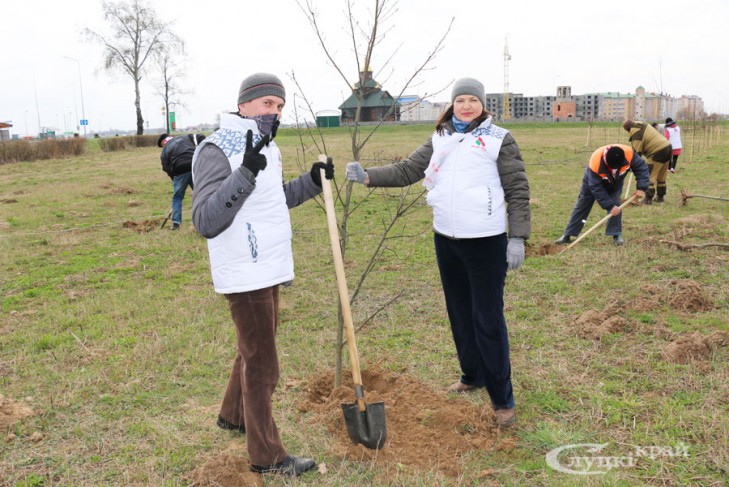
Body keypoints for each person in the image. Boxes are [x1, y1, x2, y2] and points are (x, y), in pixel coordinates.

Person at [346, 77, 531, 428]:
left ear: (482, 105)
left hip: (486, 241)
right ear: (452, 104)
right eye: (460, 100)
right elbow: (408, 170)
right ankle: (472, 374)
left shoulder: (498, 139)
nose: (465, 106)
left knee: (487, 320)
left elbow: (517, 189)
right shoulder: (441, 137)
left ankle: (502, 399)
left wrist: (517, 237)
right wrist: (367, 176)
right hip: (446, 239)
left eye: (472, 100)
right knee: (459, 313)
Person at [190, 73, 334, 477]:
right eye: (267, 104)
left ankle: (232, 415)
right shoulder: (218, 149)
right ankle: (267, 456)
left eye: (280, 106)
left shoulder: (265, 146)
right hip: (244, 270)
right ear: (244, 105)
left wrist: (312, 181)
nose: (275, 112)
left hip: (267, 265)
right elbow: (205, 220)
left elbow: (275, 199)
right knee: (263, 363)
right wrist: (246, 172)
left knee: (253, 347)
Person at [554, 144, 649, 246]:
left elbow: (642, 168)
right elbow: (596, 189)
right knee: (583, 204)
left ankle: (616, 234)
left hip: (615, 182)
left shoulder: (629, 154)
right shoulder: (595, 163)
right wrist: (609, 206)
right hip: (593, 182)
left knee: (616, 203)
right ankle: (568, 234)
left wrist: (642, 187)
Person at [158, 132, 206, 229]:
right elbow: (201, 137)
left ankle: (176, 223)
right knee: (201, 194)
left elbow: (166, 168)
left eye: (162, 145)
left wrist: (174, 178)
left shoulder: (164, 151)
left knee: (177, 198)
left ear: (164, 142)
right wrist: (202, 152)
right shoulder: (186, 137)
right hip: (194, 166)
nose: (163, 146)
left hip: (179, 171)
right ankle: (205, 219)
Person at [622, 119, 672, 204]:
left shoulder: (636, 135)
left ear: (628, 129)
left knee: (649, 176)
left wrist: (632, 166)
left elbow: (636, 154)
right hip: (667, 147)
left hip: (657, 152)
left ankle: (648, 199)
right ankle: (660, 197)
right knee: (661, 175)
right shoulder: (642, 124)